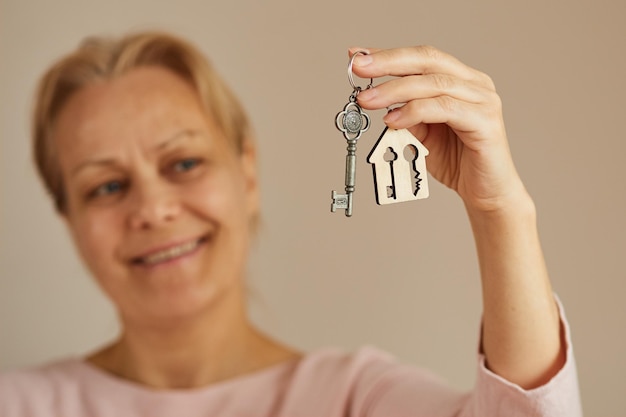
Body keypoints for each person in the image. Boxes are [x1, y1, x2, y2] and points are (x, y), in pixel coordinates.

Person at [0, 31, 582, 416]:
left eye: (184, 162)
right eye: (106, 186)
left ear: (246, 174)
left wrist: (500, 210)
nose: (152, 209)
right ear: (68, 217)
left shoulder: (354, 398)